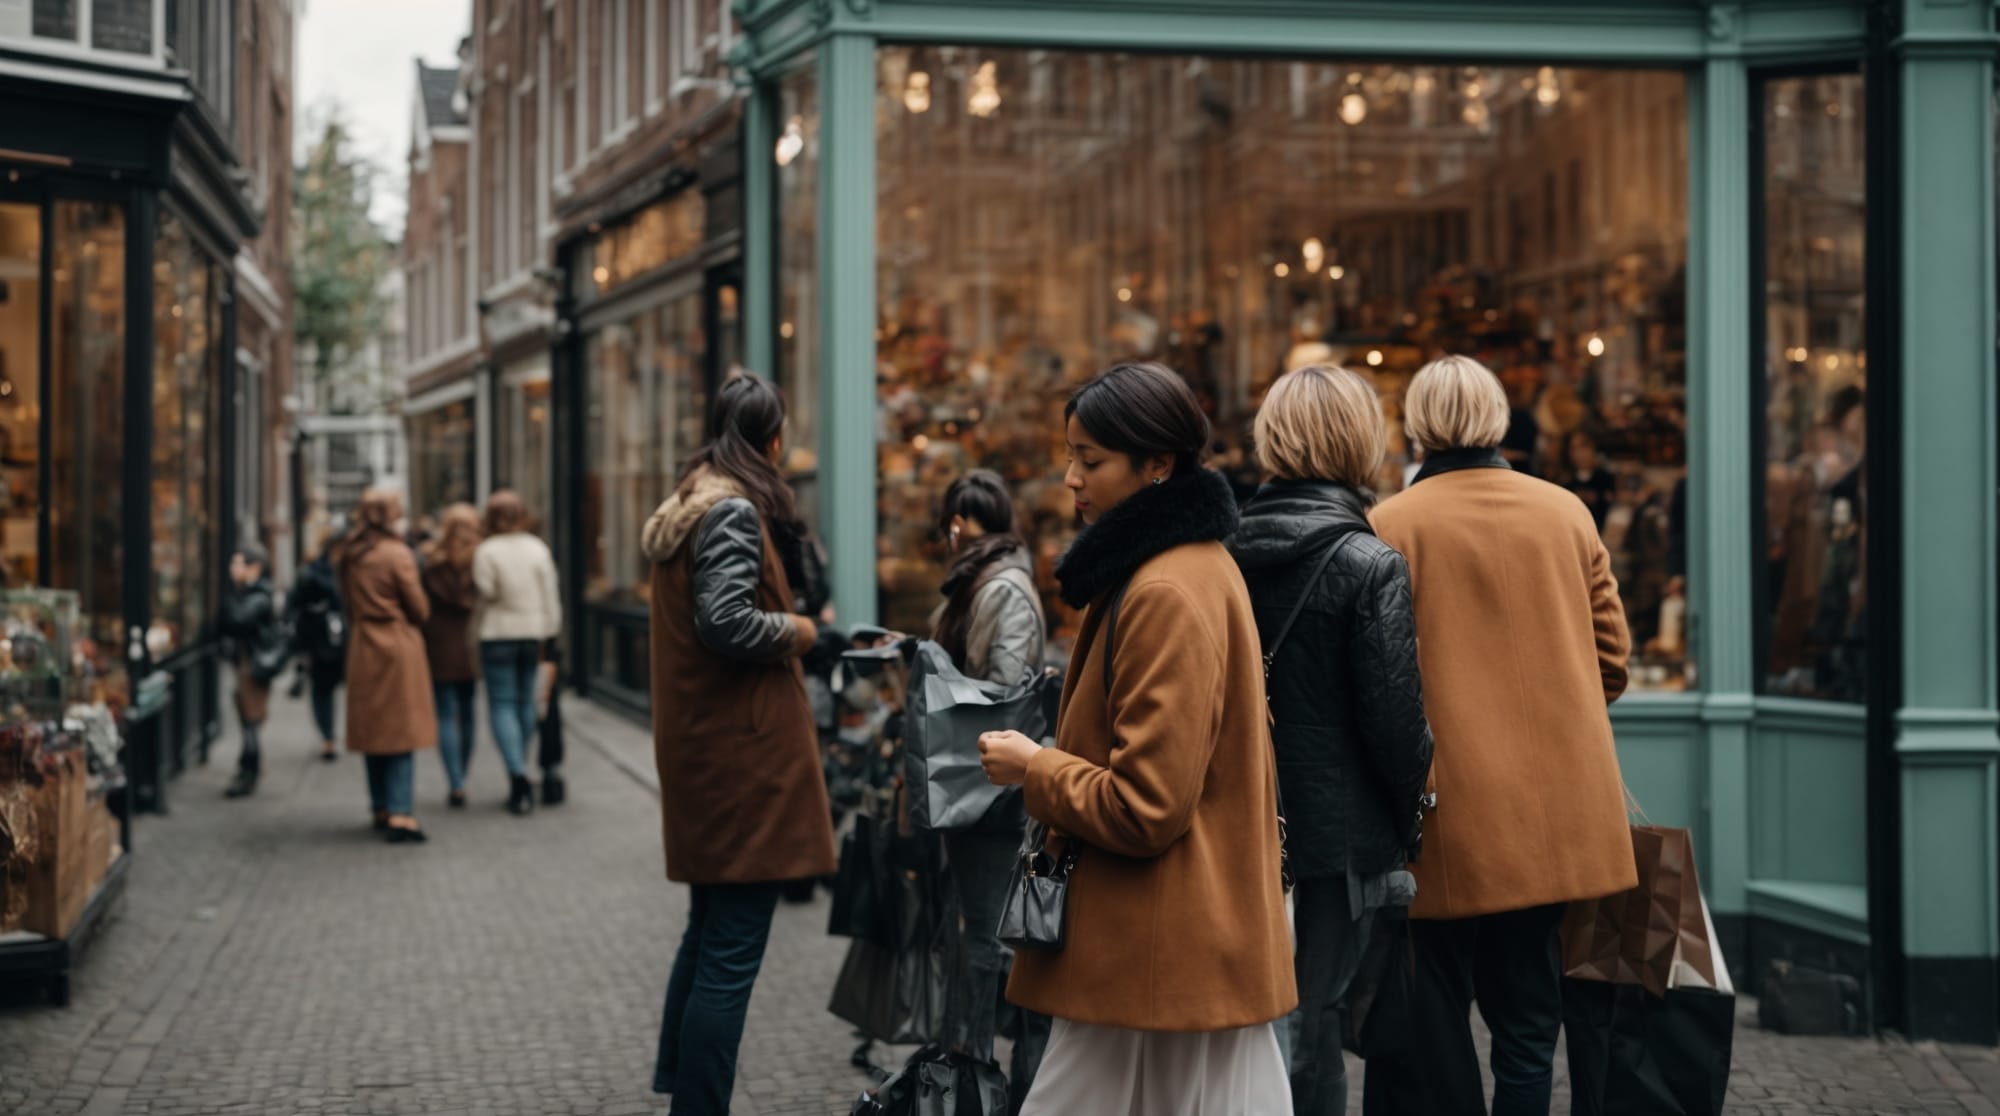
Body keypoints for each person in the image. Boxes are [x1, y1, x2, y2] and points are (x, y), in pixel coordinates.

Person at [978, 362, 1296, 1115]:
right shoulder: (1186, 569)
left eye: (1090, 460)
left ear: (1157, 465)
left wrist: (1036, 768)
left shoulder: (1163, 588)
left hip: (1156, 937)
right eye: (1071, 456)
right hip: (1177, 939)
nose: (1070, 477)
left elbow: (1148, 804)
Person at [1365, 355, 1635, 1116]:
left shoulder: (1389, 525)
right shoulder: (1565, 512)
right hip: (1553, 816)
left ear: (1415, 424)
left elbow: (1380, 679)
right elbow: (1611, 662)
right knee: (1528, 1025)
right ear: (1500, 418)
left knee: (1439, 1022)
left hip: (1443, 815)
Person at [1228, 365, 1434, 1116]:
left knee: (1246, 1023)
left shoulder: (1219, 554)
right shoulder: (1368, 563)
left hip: (1233, 823)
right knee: (1316, 1029)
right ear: (1359, 441)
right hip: (1334, 840)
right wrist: (1411, 813)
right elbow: (1397, 728)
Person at [641, 374, 835, 1116]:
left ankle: (683, 1087)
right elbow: (724, 621)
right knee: (729, 951)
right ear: (772, 439)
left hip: (709, 752)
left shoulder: (691, 503)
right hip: (745, 760)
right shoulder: (729, 513)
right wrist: (804, 631)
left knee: (707, 934)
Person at [931, 469, 1050, 1102]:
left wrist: (939, 680)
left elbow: (1005, 689)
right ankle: (971, 1074)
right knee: (979, 935)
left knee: (986, 940)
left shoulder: (1000, 587)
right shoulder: (980, 581)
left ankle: (974, 1081)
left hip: (989, 789)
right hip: (970, 783)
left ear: (957, 524)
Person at [338, 487, 437, 844]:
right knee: (401, 728)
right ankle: (400, 812)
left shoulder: (351, 553)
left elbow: (347, 602)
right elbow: (420, 609)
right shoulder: (398, 555)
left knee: (373, 726)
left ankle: (380, 805)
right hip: (397, 645)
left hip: (363, 644)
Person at [472, 490, 562, 816]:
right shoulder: (537, 548)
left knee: (502, 703)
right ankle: (522, 767)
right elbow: (551, 595)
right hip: (534, 633)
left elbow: (487, 591)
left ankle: (518, 775)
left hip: (498, 633)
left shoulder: (487, 551)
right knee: (526, 702)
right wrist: (551, 632)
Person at [421, 503, 482, 809]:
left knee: (445, 713)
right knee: (468, 711)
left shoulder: (430, 560)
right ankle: (463, 775)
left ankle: (455, 781)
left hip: (439, 645)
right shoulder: (482, 559)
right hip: (472, 644)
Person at [218, 542, 286, 798]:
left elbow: (235, 620)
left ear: (254, 567)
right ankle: (247, 768)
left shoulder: (257, 595)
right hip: (247, 662)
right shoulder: (251, 593)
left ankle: (249, 772)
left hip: (253, 665)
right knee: (248, 718)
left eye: (237, 563)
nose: (231, 569)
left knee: (250, 719)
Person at [287, 525, 347, 763]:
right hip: (318, 640)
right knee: (322, 689)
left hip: (343, 640)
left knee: (327, 688)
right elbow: (295, 605)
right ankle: (328, 735)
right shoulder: (313, 573)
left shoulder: (351, 571)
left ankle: (329, 735)